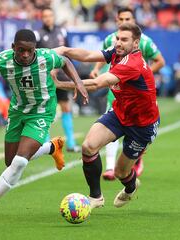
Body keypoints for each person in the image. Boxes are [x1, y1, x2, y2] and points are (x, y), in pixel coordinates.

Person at [0, 29, 88, 221]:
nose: (25, 55)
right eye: (21, 50)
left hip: (41, 111)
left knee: (19, 162)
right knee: (10, 162)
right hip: (17, 112)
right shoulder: (1, 61)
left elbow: (65, 60)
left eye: (29, 51)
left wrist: (79, 83)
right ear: (13, 48)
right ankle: (52, 147)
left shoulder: (45, 57)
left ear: (35, 49)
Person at [54, 23, 160, 209]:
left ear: (136, 43)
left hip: (142, 124)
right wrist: (64, 50)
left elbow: (96, 84)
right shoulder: (117, 52)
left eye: (124, 40)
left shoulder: (132, 64)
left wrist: (62, 84)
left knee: (121, 172)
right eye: (118, 38)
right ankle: (96, 197)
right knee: (88, 146)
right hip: (120, 113)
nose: (118, 43)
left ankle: (130, 186)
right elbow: (87, 56)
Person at [89, 7, 165, 180]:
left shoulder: (144, 41)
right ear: (117, 21)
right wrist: (95, 69)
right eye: (121, 19)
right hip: (115, 88)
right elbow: (102, 56)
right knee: (111, 123)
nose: (124, 22)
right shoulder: (111, 39)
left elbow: (160, 61)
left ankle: (135, 157)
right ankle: (109, 167)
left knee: (134, 130)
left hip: (138, 95)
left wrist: (144, 80)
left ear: (134, 21)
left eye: (128, 19)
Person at [34, 7, 81, 152]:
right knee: (46, 109)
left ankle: (71, 144)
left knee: (66, 107)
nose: (48, 18)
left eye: (50, 16)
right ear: (42, 18)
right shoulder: (38, 35)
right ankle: (47, 144)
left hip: (61, 77)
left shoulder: (62, 32)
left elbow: (67, 53)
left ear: (54, 17)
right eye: (45, 16)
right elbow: (34, 57)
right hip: (45, 78)